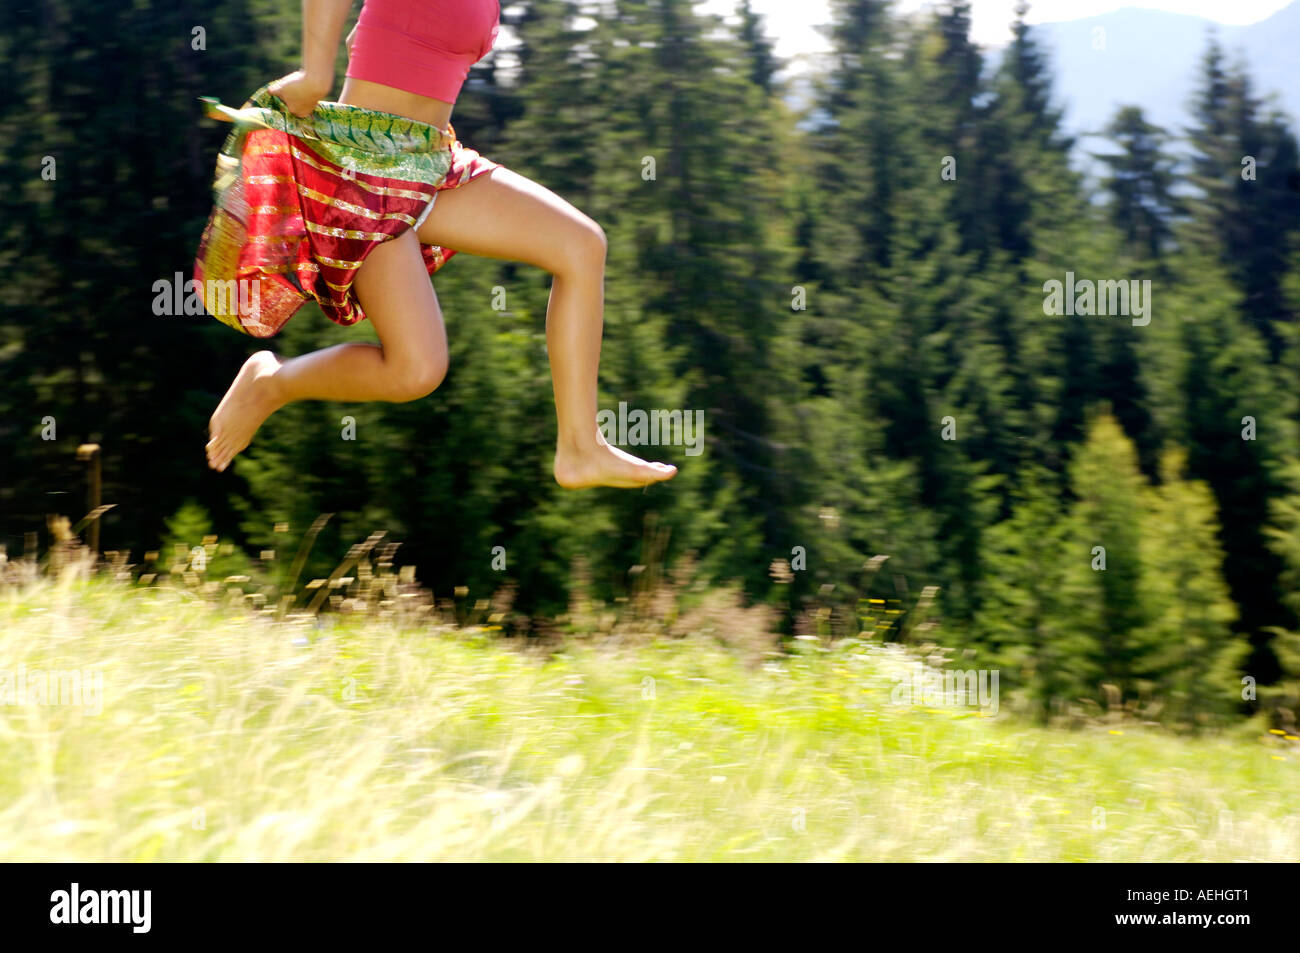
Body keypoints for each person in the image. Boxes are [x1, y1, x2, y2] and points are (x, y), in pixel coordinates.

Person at [199, 0, 678, 490]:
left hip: (431, 161)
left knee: (580, 247)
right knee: (416, 371)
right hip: (364, 170)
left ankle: (579, 448)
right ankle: (270, 383)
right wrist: (315, 73)